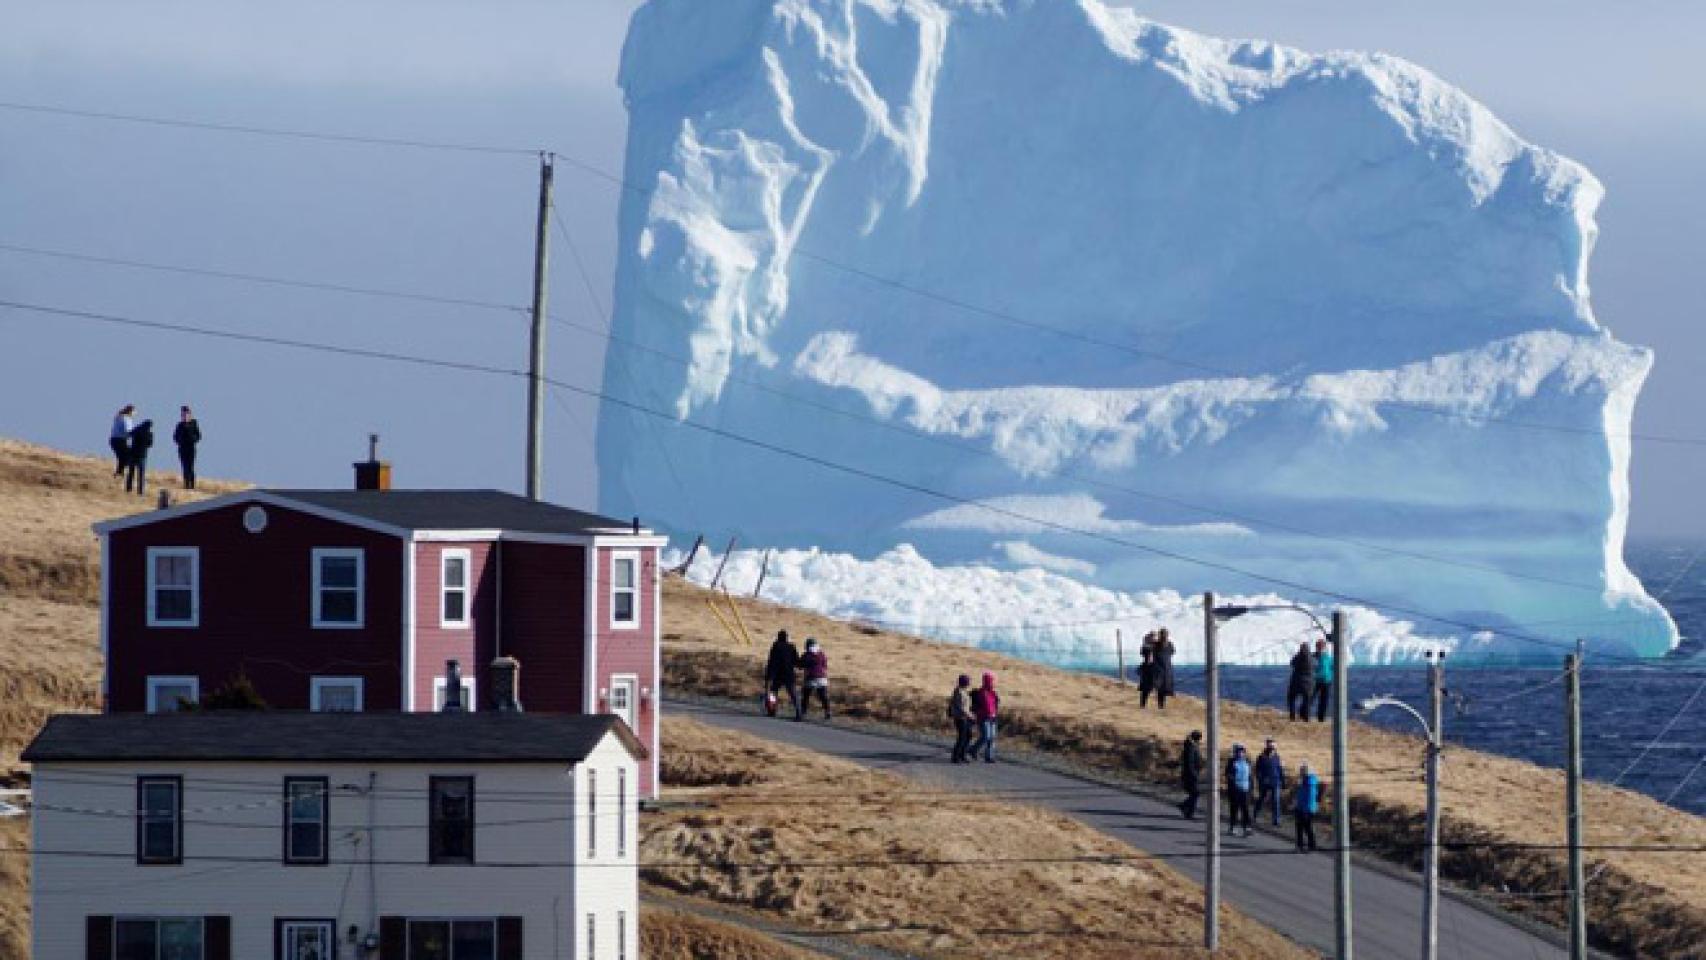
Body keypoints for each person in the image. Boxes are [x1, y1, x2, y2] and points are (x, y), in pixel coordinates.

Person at [764, 630, 801, 719]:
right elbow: (796, 661)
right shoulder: (791, 647)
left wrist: (769, 675)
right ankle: (799, 713)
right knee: (793, 694)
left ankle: (772, 710)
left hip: (777, 674)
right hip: (789, 674)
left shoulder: (776, 646)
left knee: (773, 693)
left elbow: (771, 662)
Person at [968, 671, 1000, 763]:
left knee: (992, 738)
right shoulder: (981, 693)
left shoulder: (993, 693)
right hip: (983, 718)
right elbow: (976, 706)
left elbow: (995, 704)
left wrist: (995, 714)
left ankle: (989, 756)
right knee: (985, 737)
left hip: (992, 718)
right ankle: (973, 750)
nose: (993, 683)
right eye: (991, 681)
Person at [1255, 738, 1286, 827]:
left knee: (1276, 801)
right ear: (1267, 745)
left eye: (1273, 746)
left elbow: (1280, 770)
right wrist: (1260, 780)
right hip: (1264, 782)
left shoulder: (1277, 757)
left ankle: (1276, 820)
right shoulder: (1261, 757)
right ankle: (1256, 815)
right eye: (1270, 746)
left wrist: (1282, 781)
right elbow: (1257, 770)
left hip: (1275, 782)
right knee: (1261, 799)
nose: (1272, 748)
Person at [1226, 743, 1254, 837]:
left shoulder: (1247, 762)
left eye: (1242, 751)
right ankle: (1233, 827)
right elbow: (1229, 776)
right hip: (1235, 790)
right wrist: (1233, 786)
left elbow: (1250, 776)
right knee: (1234, 809)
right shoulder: (1231, 762)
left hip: (1245, 789)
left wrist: (1251, 789)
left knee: (1245, 809)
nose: (1240, 753)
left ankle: (1247, 827)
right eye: (1238, 751)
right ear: (1235, 752)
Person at [799, 638, 831, 719]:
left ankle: (803, 712)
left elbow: (801, 665)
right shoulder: (821, 654)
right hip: (822, 678)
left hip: (811, 677)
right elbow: (825, 665)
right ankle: (827, 711)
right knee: (823, 696)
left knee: (806, 695)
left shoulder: (807, 655)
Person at [1293, 762, 1322, 852]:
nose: (1300, 772)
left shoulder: (1308, 783)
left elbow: (1308, 797)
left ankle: (1310, 845)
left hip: (1306, 809)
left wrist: (1301, 807)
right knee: (1301, 827)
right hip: (1304, 807)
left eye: (1302, 770)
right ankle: (1303, 845)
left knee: (1306, 827)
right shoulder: (1307, 782)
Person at [173, 406, 201, 490]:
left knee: (191, 467)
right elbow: (175, 437)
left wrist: (192, 438)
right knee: (184, 467)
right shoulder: (179, 425)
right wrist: (180, 441)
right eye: (182, 415)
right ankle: (186, 485)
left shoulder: (194, 423)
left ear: (189, 414)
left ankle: (192, 486)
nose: (184, 416)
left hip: (191, 449)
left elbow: (199, 436)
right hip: (182, 449)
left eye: (185, 414)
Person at [948, 674, 974, 763]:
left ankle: (962, 754)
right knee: (962, 737)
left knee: (968, 736)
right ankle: (956, 757)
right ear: (965, 682)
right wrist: (970, 715)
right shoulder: (959, 692)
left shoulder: (963, 691)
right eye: (968, 681)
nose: (970, 683)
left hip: (964, 717)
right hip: (960, 718)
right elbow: (961, 708)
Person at [1178, 730, 1204, 819]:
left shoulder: (1191, 746)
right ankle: (1186, 808)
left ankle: (1187, 810)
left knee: (1195, 793)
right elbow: (1190, 762)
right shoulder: (1191, 748)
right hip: (1190, 775)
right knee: (1195, 793)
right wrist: (1194, 774)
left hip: (1191, 773)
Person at [125, 419, 154, 496]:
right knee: (141, 475)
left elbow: (128, 434)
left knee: (131, 473)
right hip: (142, 455)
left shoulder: (137, 429)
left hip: (133, 454)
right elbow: (150, 444)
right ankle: (140, 491)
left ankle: (128, 489)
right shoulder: (149, 433)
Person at [1287, 642, 1315, 721]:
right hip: (1308, 683)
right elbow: (1316, 664)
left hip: (1296, 682)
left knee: (1291, 698)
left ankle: (1292, 716)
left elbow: (1292, 663)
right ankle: (1306, 717)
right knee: (1306, 701)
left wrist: (1298, 654)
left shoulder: (1298, 657)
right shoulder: (1311, 658)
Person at [1150, 628, 1176, 710]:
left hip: (1165, 668)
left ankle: (1162, 705)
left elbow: (1172, 652)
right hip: (1161, 668)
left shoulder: (1168, 645)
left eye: (1165, 634)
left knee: (1164, 686)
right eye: (1163, 634)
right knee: (1161, 687)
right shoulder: (1157, 645)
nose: (1164, 636)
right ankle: (1161, 705)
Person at [109, 405, 135, 477]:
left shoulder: (118, 417)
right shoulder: (126, 419)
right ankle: (120, 473)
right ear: (130, 412)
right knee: (126, 456)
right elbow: (128, 431)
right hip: (120, 440)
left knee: (122, 457)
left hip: (113, 439)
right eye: (134, 412)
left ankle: (119, 473)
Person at [1312, 638, 1335, 722]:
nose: (1321, 648)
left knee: (1324, 701)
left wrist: (1331, 676)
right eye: (1319, 646)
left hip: (1326, 681)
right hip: (1316, 681)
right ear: (1316, 647)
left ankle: (1321, 718)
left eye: (1322, 646)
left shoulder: (1328, 658)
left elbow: (1333, 667)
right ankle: (1304, 714)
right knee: (1310, 698)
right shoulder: (1313, 657)